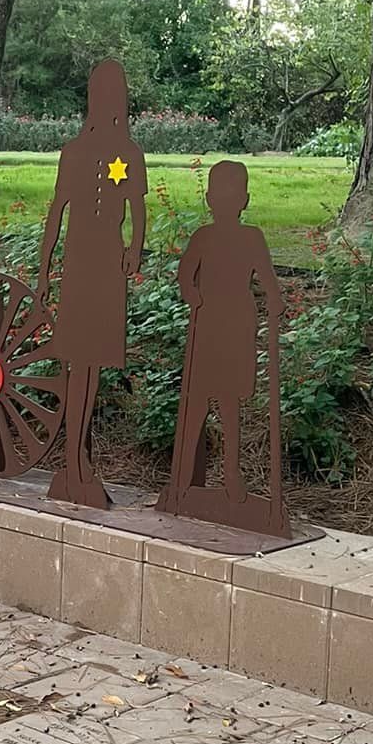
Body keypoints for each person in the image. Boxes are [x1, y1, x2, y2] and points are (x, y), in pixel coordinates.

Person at [37, 59, 146, 508]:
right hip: (80, 263)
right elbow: (56, 214)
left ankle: (76, 459)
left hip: (104, 265)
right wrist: (44, 271)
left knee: (90, 367)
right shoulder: (74, 152)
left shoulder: (130, 155)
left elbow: (138, 211)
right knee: (78, 366)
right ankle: (74, 463)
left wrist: (135, 249)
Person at [163, 159, 285, 524]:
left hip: (236, 324)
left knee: (230, 404)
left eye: (235, 194)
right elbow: (186, 272)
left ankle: (231, 474)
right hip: (208, 323)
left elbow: (265, 275)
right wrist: (191, 293)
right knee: (197, 401)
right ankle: (182, 478)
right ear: (209, 199)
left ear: (245, 200)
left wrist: (275, 300)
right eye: (222, 194)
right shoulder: (203, 237)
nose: (229, 201)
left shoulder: (252, 238)